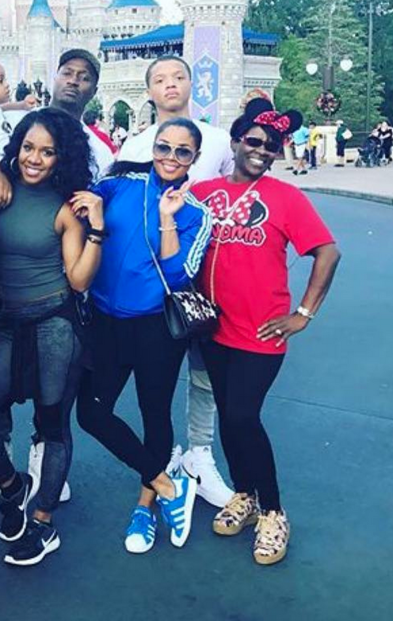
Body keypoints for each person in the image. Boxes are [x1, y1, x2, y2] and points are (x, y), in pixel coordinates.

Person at [193, 98, 341, 565]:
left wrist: (304, 313)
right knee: (228, 415)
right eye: (254, 141)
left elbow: (327, 252)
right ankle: (246, 494)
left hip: (262, 331)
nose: (261, 150)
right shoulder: (203, 192)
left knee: (242, 416)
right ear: (236, 142)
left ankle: (274, 511)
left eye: (271, 145)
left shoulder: (285, 197)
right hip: (211, 328)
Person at [77, 118, 212, 554]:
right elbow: (77, 204)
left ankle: (144, 506)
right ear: (152, 147)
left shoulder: (197, 214)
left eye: (182, 151)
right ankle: (168, 484)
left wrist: (168, 218)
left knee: (155, 414)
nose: (170, 157)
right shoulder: (118, 185)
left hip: (156, 327)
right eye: (163, 147)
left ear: (194, 158)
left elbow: (178, 275)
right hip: (104, 322)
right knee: (91, 413)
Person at [0, 108, 103, 566]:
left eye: (47, 152)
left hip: (54, 321)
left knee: (52, 424)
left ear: (62, 158)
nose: (35, 159)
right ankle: (12, 485)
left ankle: (43, 522)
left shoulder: (66, 207)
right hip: (4, 322)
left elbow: (79, 280)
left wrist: (97, 228)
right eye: (28, 148)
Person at [117, 55, 234, 508]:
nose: (171, 85)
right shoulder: (134, 145)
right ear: (148, 90)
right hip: (151, 289)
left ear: (193, 82)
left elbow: (236, 193)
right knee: (156, 385)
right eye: (160, 79)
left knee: (203, 373)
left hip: (205, 277)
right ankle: (161, 462)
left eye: (179, 76)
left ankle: (200, 455)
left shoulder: (218, 140)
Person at [49, 49, 114, 180]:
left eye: (84, 78)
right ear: (55, 79)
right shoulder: (19, 124)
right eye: (67, 73)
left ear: (94, 92)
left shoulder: (99, 152)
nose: (73, 81)